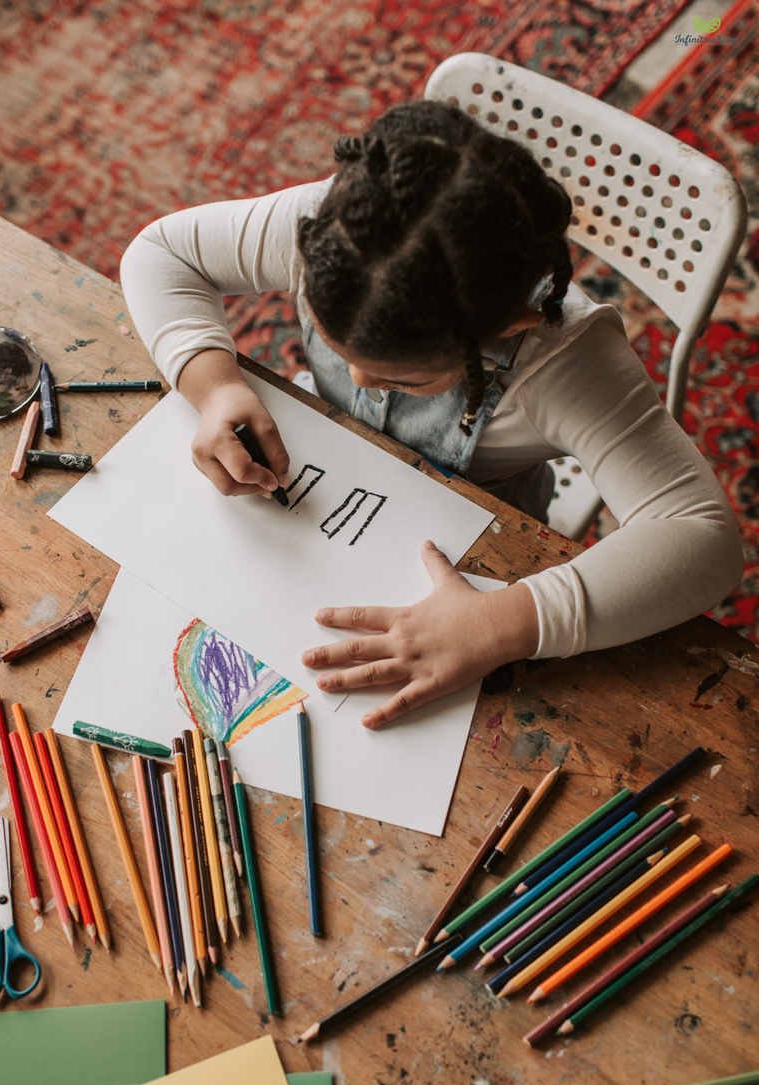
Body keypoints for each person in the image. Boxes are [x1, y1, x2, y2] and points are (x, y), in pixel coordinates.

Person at [120, 99, 743, 730]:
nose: (359, 381)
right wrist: (215, 383)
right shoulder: (334, 232)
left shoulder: (567, 359)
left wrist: (504, 623)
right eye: (341, 352)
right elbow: (160, 252)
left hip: (475, 552)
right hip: (324, 487)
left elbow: (702, 537)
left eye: (401, 379)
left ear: (506, 329)